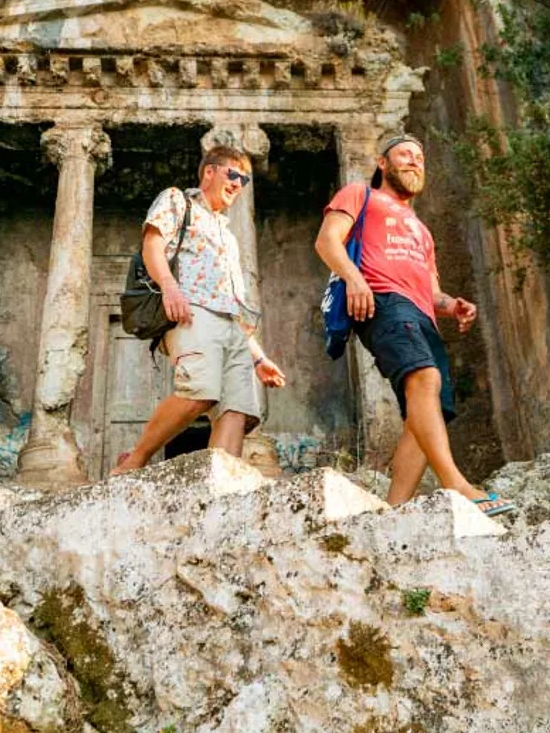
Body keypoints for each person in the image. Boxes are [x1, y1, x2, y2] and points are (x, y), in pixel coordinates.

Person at [315, 134, 517, 517]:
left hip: (421, 315)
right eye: (405, 154)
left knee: (425, 413)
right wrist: (355, 280)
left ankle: (395, 510)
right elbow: (327, 242)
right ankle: (457, 484)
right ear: (383, 163)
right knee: (423, 378)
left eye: (420, 157)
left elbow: (432, 290)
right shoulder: (361, 195)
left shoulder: (422, 231)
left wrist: (450, 305)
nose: (414, 161)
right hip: (381, 301)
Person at [113, 144, 287, 473]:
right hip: (192, 313)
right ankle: (134, 460)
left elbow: (232, 305)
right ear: (209, 172)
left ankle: (220, 487)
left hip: (231, 329)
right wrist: (169, 287)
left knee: (237, 410)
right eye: (232, 174)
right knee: (200, 391)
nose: (238, 183)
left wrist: (259, 358)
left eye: (244, 180)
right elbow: (153, 243)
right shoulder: (178, 200)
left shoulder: (228, 235)